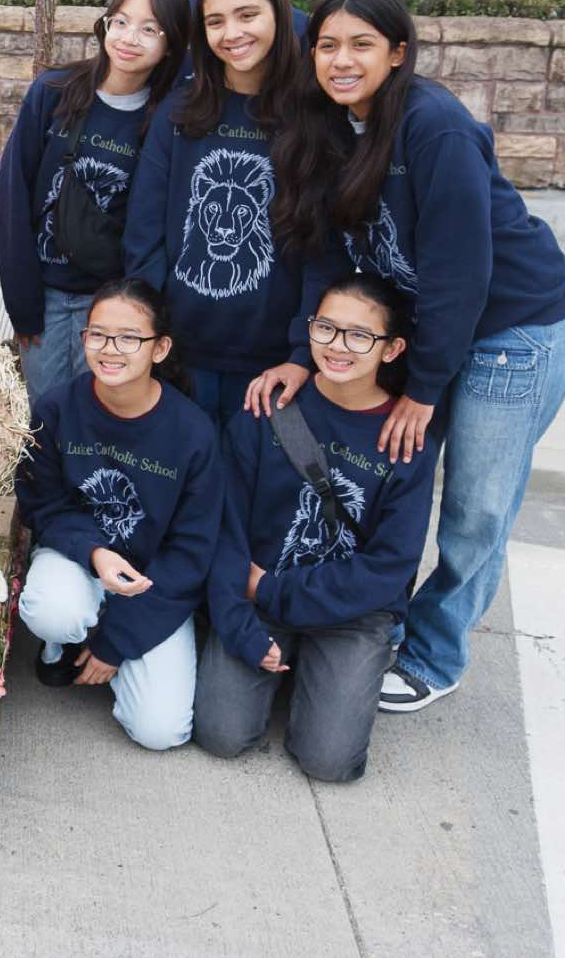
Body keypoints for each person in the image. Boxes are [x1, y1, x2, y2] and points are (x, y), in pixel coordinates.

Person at [260, 0, 565, 715]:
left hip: (510, 331)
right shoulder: (329, 124)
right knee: (393, 484)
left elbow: (460, 275)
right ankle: (381, 625)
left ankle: (435, 654)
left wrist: (424, 388)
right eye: (327, 46)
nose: (342, 60)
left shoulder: (435, 128)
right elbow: (322, 257)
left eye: (362, 45)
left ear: (398, 53)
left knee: (475, 507)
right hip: (428, 327)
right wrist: (303, 351)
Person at [196, 272, 440, 781]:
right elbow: (224, 521)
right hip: (260, 592)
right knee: (221, 734)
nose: (338, 345)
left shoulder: (406, 439)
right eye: (326, 328)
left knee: (328, 761)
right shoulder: (267, 408)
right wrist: (246, 602)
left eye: (359, 335)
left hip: (348, 609)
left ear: (392, 349)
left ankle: (325, 666)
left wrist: (272, 590)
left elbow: (390, 566)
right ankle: (295, 662)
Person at [15, 278, 223, 751]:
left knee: (160, 731)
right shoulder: (57, 408)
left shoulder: (193, 432)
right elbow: (41, 503)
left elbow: (192, 552)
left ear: (160, 348)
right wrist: (93, 553)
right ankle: (67, 639)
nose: (110, 349)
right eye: (98, 335)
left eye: (129, 338)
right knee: (53, 610)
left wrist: (116, 645)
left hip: (154, 582)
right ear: (83, 337)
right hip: (79, 558)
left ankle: (106, 637)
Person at [123, 0, 311, 430]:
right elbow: (144, 233)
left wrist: (303, 352)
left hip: (273, 363)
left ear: (279, 15)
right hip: (182, 352)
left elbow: (320, 246)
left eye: (248, 15)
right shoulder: (178, 113)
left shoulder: (309, 118)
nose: (232, 33)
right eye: (215, 21)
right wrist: (150, 333)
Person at [0, 0, 191, 393]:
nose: (129, 38)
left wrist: (137, 315)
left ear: (172, 44)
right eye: (121, 21)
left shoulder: (166, 118)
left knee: (104, 412)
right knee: (45, 413)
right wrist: (22, 305)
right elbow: (12, 197)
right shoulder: (54, 92)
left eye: (149, 29)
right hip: (45, 296)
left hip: (114, 306)